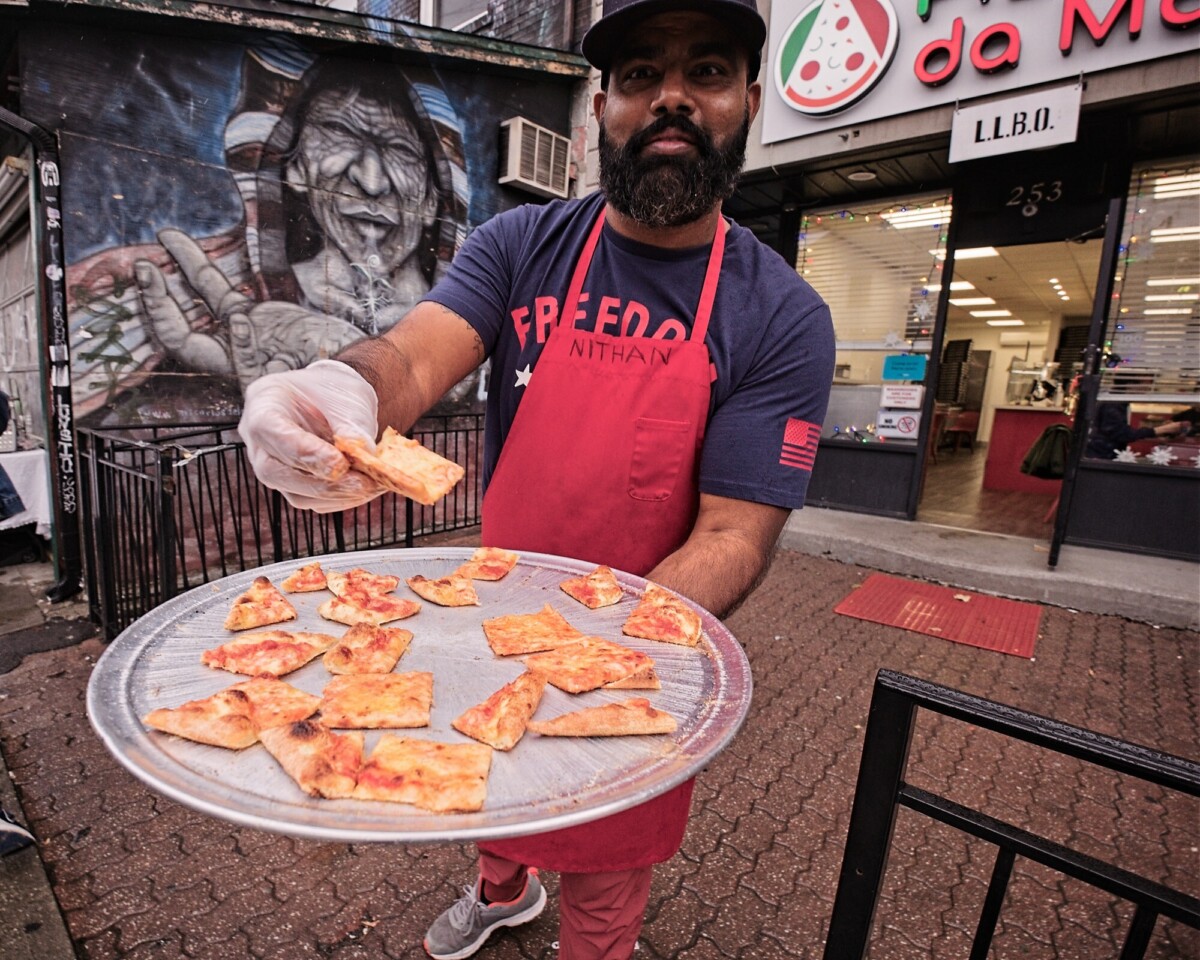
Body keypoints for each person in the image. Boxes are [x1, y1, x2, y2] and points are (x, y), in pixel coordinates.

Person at [237, 1, 834, 956]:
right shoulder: (522, 247)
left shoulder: (783, 316)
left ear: (750, 100)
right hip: (493, 612)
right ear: (603, 105)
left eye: (706, 73)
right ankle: (501, 892)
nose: (670, 98)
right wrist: (338, 388)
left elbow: (734, 534)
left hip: (641, 648)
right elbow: (415, 356)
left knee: (605, 861)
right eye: (640, 75)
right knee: (491, 792)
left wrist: (600, 654)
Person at [1084, 355, 1189, 459]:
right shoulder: (1113, 403)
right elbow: (1122, 434)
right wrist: (1162, 429)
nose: (1148, 387)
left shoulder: (1117, 401)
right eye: (1146, 382)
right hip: (1100, 458)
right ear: (1130, 383)